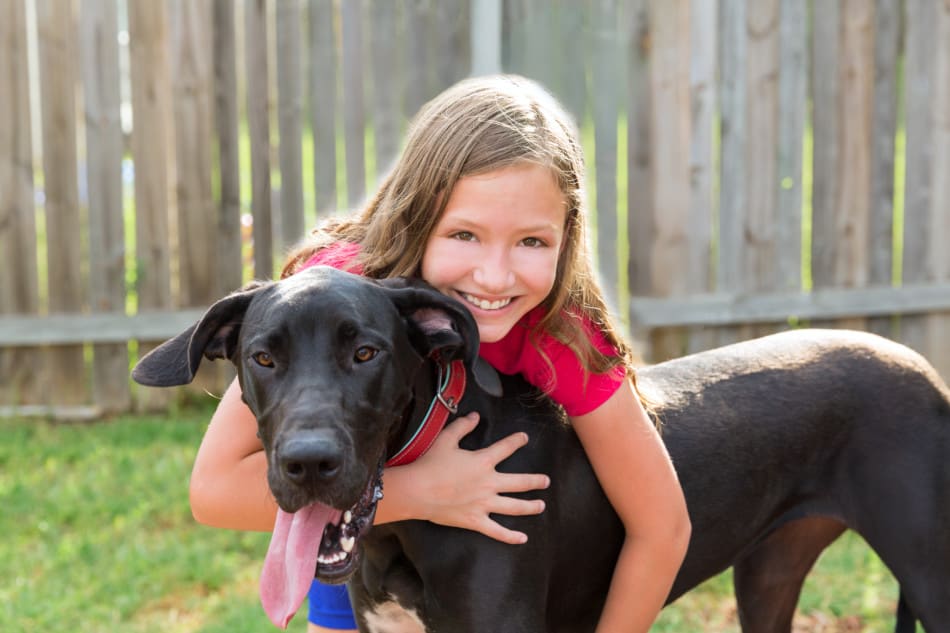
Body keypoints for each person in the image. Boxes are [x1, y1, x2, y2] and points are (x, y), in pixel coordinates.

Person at [189, 74, 691, 633]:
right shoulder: (332, 298)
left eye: (532, 241)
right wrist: (424, 492)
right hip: (341, 514)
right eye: (464, 234)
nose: (494, 276)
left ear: (566, 238)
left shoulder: (562, 337)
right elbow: (213, 491)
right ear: (416, 219)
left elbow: (662, 524)